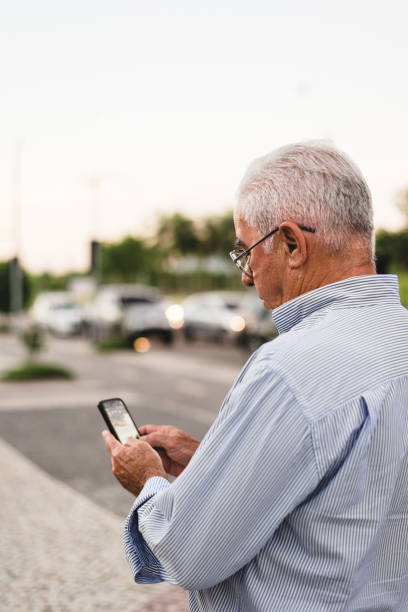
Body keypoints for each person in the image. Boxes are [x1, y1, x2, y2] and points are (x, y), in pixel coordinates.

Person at [103, 142, 408, 611]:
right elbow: (351, 492)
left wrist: (148, 480)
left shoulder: (288, 369)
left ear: (291, 244)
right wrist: (216, 464)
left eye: (246, 252)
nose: (246, 277)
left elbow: (190, 552)